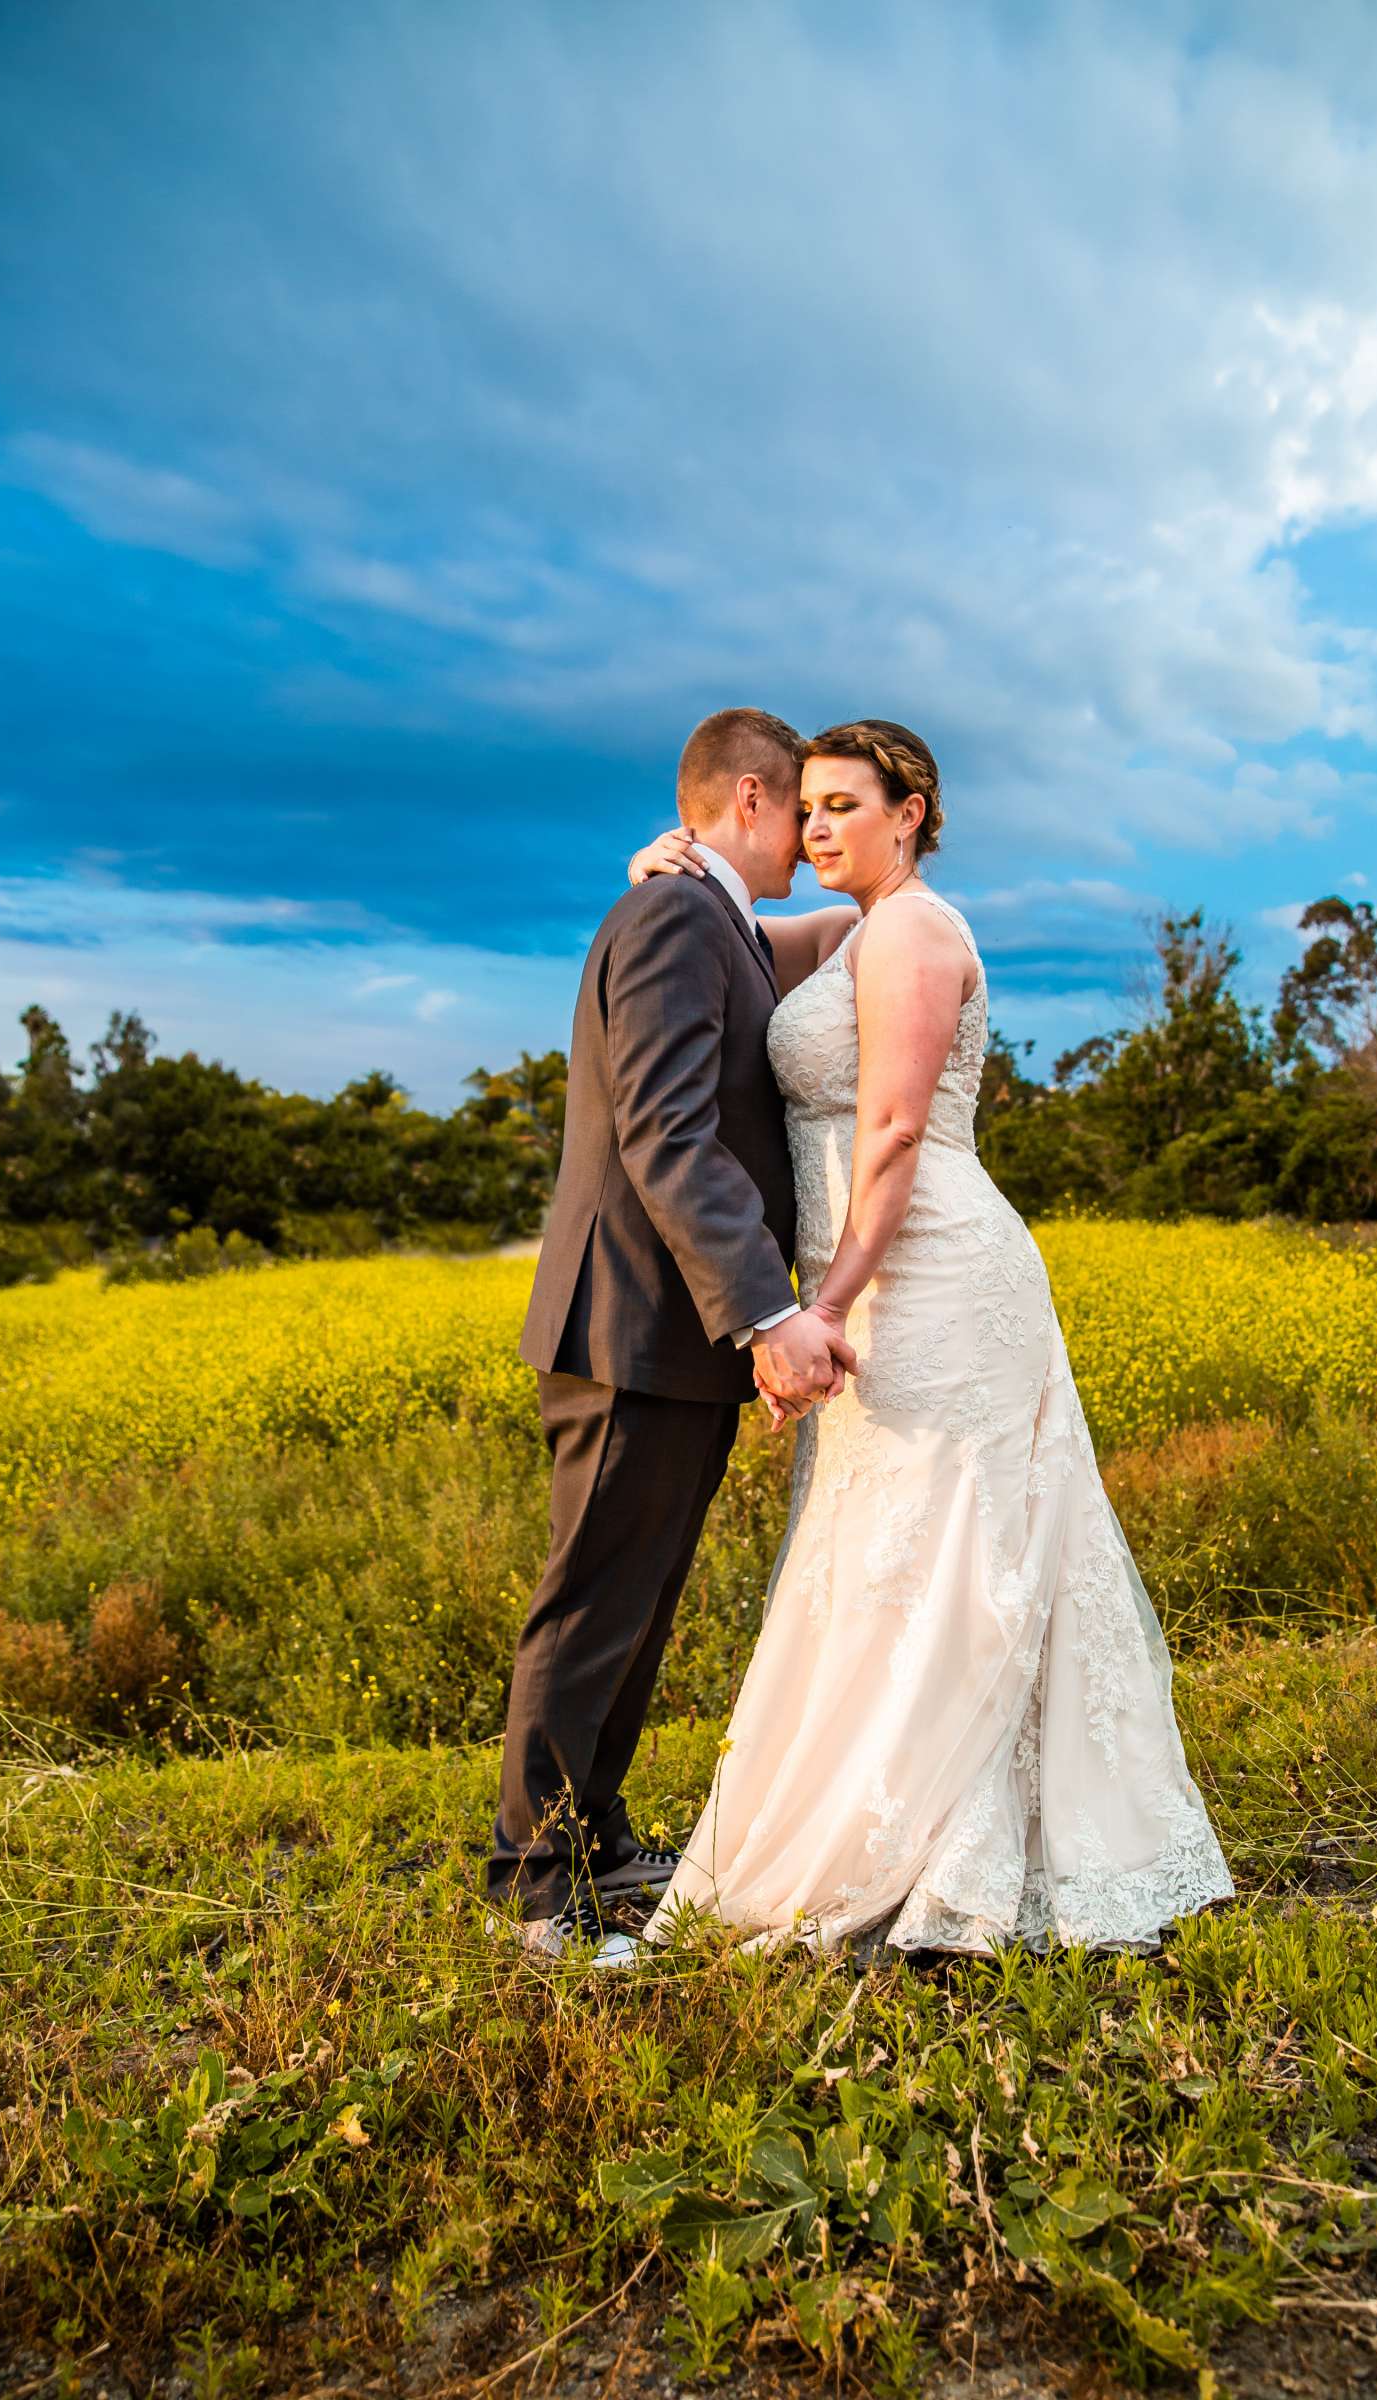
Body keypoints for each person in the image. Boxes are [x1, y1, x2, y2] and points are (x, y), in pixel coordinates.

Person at [621, 720, 1233, 1957]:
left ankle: (949, 1841)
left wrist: (828, 1305)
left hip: (929, 1270)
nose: (820, 827)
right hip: (876, 1273)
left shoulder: (911, 930)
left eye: (845, 804)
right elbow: (744, 935)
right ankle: (889, 1817)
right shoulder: (850, 929)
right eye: (807, 809)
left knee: (951, 1542)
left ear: (911, 812)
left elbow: (894, 1131)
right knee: (885, 1543)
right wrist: (670, 861)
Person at [490, 707, 856, 1954]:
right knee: (594, 1599)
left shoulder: (716, 918)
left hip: (671, 1336)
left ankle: (593, 1836)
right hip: (631, 1322)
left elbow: (857, 918)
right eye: (797, 806)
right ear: (748, 797)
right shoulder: (674, 917)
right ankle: (540, 1888)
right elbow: (664, 1131)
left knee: (638, 1603)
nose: (810, 836)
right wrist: (764, 1306)